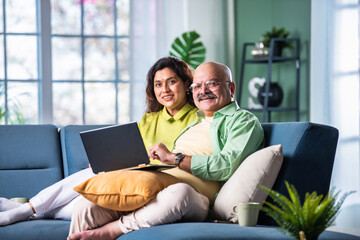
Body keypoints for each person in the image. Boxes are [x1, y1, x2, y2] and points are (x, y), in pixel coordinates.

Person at [67, 62, 264, 240]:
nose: (203, 91)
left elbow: (226, 165)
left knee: (180, 192)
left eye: (212, 83)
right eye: (197, 86)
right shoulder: (196, 123)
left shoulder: (242, 121)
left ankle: (114, 230)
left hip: (195, 198)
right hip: (157, 187)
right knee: (87, 207)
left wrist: (174, 158)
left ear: (231, 88)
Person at [0, 56, 198, 226]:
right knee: (93, 174)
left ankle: (25, 209)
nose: (165, 89)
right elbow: (133, 154)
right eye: (158, 84)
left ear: (186, 84)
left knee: (89, 189)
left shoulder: (198, 118)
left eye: (171, 81)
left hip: (163, 187)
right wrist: (109, 160)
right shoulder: (150, 119)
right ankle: (28, 210)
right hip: (133, 181)